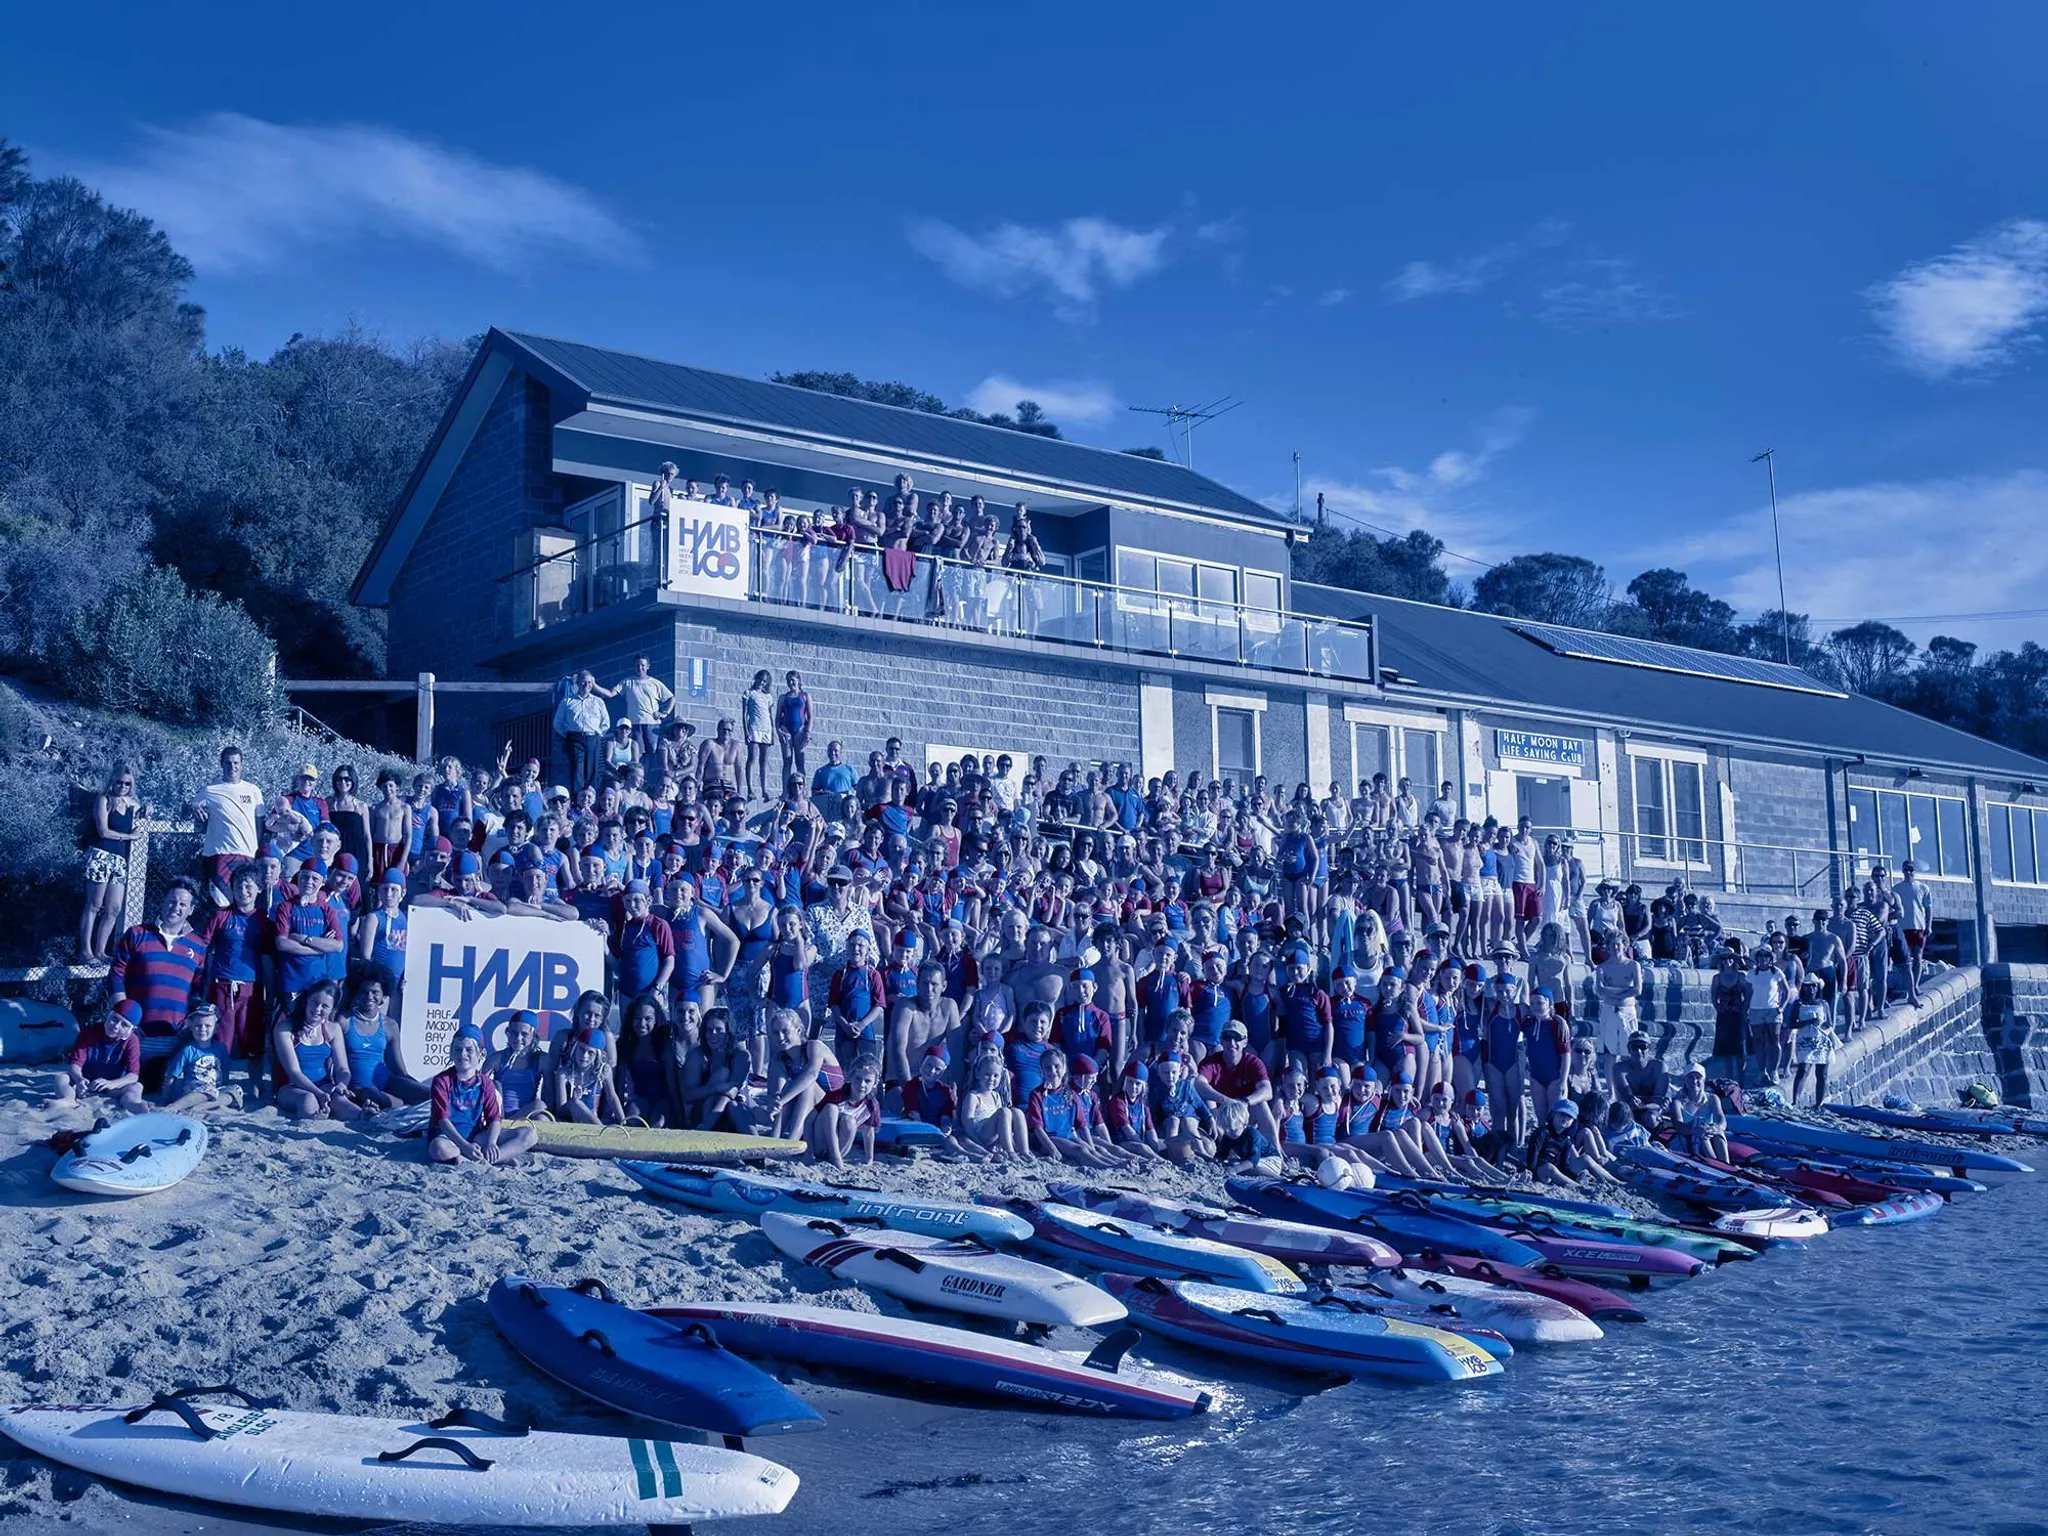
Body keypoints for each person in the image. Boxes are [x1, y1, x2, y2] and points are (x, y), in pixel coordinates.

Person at [428, 1026, 539, 1166]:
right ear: (451, 1053)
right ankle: (483, 1158)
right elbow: (442, 1120)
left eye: (469, 1050)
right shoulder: (442, 1081)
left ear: (481, 1054)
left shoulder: (486, 1083)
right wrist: (464, 1146)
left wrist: (491, 1143)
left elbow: (494, 1119)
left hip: (477, 1137)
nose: (463, 1054)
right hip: (449, 1139)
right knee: (438, 1148)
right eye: (458, 1049)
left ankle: (488, 1158)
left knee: (529, 1134)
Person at [81, 762, 148, 962]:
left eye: (127, 784)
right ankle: (85, 952)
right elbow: (103, 831)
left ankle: (101, 951)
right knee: (94, 905)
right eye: (119, 782)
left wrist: (148, 807)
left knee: (114, 908)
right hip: (102, 856)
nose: (123, 786)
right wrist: (129, 837)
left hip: (120, 861)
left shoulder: (131, 804)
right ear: (113, 781)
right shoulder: (104, 800)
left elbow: (144, 812)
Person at [188, 746, 266, 908]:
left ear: (242, 764)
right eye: (228, 763)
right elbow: (187, 812)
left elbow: (259, 823)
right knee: (221, 905)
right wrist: (192, 806)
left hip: (247, 855)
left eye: (236, 763)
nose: (232, 767)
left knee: (245, 904)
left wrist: (257, 850)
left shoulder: (253, 791)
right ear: (222, 764)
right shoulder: (209, 790)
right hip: (220, 856)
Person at [272, 982, 361, 1121]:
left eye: (325, 1006)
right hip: (291, 1087)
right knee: (308, 1099)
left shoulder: (333, 1029)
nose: (317, 1009)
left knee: (340, 1100)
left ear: (332, 1009)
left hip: (324, 1085)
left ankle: (367, 1115)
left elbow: (342, 1068)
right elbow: (294, 1073)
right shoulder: (285, 1029)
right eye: (314, 1002)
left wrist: (341, 1085)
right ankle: (314, 1120)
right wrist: (319, 1094)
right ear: (307, 1000)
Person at [52, 1001, 145, 1110]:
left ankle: (133, 1104)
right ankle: (68, 1099)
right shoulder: (90, 1032)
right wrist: (79, 1079)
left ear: (131, 1030)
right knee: (62, 1078)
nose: (116, 1026)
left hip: (113, 1088)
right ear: (108, 1014)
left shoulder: (132, 1041)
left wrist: (112, 1084)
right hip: (86, 1085)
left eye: (124, 1025)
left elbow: (133, 1075)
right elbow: (75, 1064)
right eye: (114, 1019)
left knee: (137, 1087)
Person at [161, 1003, 235, 1114]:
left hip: (215, 1089)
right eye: (198, 1025)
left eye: (208, 1026)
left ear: (216, 1028)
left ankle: (199, 1107)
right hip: (193, 1089)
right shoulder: (188, 1050)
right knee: (207, 1089)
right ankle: (176, 1107)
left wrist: (224, 1086)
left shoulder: (221, 1048)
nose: (202, 1029)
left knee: (235, 1090)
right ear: (191, 1027)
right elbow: (171, 1076)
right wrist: (166, 1099)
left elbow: (225, 1070)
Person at [810, 1054, 882, 1166]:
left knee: (849, 1121)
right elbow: (809, 1121)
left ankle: (835, 1156)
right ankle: (835, 1158)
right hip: (819, 1144)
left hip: (841, 1150)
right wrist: (808, 1152)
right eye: (858, 1079)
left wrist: (869, 1159)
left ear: (875, 1083)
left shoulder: (871, 1105)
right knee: (831, 1108)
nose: (862, 1085)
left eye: (867, 1081)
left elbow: (868, 1133)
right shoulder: (836, 1096)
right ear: (851, 1077)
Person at [554, 671, 611, 798]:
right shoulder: (567, 701)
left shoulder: (598, 702)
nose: (587, 685)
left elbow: (605, 722)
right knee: (577, 769)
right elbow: (558, 723)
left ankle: (591, 799)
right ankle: (577, 798)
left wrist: (598, 735)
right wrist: (567, 735)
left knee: (592, 770)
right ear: (578, 683)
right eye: (584, 682)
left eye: (589, 682)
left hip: (593, 737)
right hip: (575, 738)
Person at [1788, 977, 1841, 1107]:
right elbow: (1792, 1023)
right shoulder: (1799, 1004)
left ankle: (1819, 1103)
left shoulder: (1823, 1004)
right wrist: (1808, 1022)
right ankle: (1795, 1101)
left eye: (1813, 986)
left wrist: (1824, 1024)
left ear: (1817, 987)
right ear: (1804, 987)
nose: (1811, 989)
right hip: (1806, 1041)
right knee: (1803, 1070)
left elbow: (1830, 1023)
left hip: (1821, 1041)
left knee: (1822, 1074)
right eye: (1808, 986)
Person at [616, 656, 675, 762]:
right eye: (637, 665)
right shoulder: (627, 682)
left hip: (652, 723)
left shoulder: (655, 683)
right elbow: (611, 693)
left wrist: (665, 713)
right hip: (635, 723)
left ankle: (646, 773)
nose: (640, 668)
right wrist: (594, 685)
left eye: (642, 665)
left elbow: (671, 698)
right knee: (637, 753)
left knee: (651, 753)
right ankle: (637, 772)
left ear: (648, 666)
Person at [1664, 1064, 1729, 1161]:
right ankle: (1717, 1164)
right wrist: (1694, 1130)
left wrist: (1715, 1128)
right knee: (1698, 1125)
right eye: (1690, 1078)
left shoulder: (1712, 1099)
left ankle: (1726, 1163)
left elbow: (1722, 1121)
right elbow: (1679, 1126)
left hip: (1708, 1137)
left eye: (1698, 1078)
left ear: (1704, 1080)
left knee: (1717, 1131)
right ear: (1685, 1080)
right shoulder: (1677, 1102)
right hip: (1687, 1140)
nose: (1694, 1081)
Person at [1895, 860, 1933, 1007]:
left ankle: (1915, 985)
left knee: (1917, 957)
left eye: (1911, 869)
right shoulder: (1896, 889)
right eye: (1906, 870)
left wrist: (1929, 925)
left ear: (1915, 871)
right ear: (1902, 871)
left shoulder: (1923, 888)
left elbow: (1928, 908)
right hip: (1902, 928)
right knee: (1905, 961)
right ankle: (1908, 988)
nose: (1908, 872)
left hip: (1918, 927)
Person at [741, 670, 777, 800]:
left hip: (766, 730)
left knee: (764, 761)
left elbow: (770, 715)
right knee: (752, 758)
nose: (761, 683)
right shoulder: (749, 693)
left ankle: (764, 790)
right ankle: (750, 789)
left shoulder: (768, 697)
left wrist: (772, 732)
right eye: (760, 679)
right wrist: (746, 731)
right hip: (754, 728)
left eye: (764, 681)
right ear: (756, 678)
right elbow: (744, 714)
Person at [775, 670, 812, 788]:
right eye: (788, 681)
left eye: (792, 680)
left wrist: (807, 733)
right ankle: (785, 791)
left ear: (798, 681)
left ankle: (802, 790)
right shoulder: (783, 698)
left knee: (800, 762)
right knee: (787, 761)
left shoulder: (805, 696)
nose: (790, 683)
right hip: (786, 731)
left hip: (800, 731)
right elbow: (778, 717)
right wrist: (778, 731)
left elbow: (810, 716)